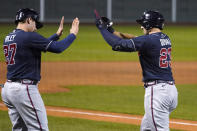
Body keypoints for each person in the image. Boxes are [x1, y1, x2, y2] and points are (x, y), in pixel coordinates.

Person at [95, 10, 178, 131]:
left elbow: (117, 44)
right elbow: (134, 38)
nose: (141, 26)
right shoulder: (164, 38)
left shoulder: (147, 41)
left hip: (158, 93)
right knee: (146, 128)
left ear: (149, 24)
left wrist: (102, 29)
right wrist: (111, 30)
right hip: (170, 92)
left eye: (143, 23)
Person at [1, 8, 79, 130]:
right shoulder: (29, 36)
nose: (36, 28)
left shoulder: (9, 37)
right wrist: (73, 34)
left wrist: (56, 35)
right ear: (29, 20)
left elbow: (38, 44)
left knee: (20, 129)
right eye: (35, 24)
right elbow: (58, 48)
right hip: (23, 91)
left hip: (8, 90)